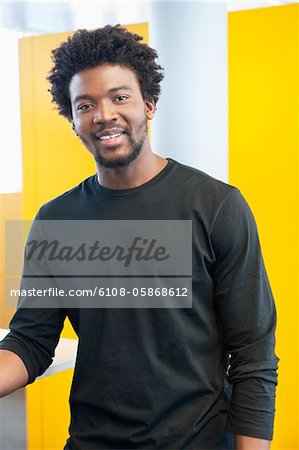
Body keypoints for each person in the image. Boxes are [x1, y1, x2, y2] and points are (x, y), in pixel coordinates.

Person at [0, 25, 278, 450]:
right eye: (85, 104)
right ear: (73, 122)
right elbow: (30, 341)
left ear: (148, 104)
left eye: (120, 97)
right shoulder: (56, 221)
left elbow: (253, 354)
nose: (103, 113)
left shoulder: (216, 205)